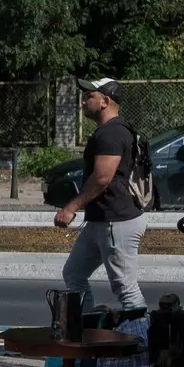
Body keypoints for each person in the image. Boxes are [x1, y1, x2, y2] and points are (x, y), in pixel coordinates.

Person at [55, 78, 146, 314]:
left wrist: (71, 207)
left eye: (89, 96)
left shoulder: (112, 133)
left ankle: (140, 341)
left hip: (116, 221)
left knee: (125, 288)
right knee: (74, 274)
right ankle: (85, 330)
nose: (83, 101)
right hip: (100, 220)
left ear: (105, 101)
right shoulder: (111, 130)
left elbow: (102, 178)